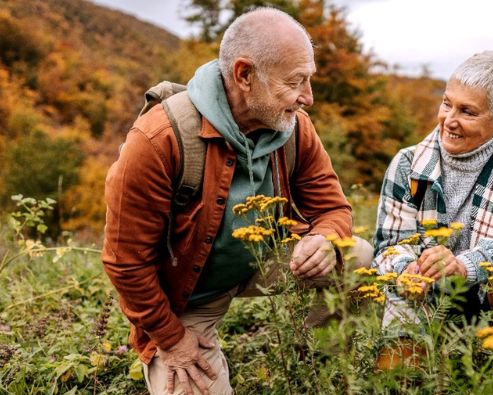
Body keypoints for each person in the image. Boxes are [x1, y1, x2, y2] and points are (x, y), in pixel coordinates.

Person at [103, 8, 372, 395]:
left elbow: (331, 206)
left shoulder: (294, 127)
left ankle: (316, 365)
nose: (308, 98)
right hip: (187, 297)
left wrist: (326, 239)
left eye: (309, 80)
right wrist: (171, 338)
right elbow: (125, 262)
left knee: (356, 258)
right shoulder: (158, 140)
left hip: (263, 262)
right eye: (295, 82)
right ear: (244, 75)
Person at [373, 50, 493, 367]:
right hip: (424, 298)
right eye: (446, 103)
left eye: (467, 112)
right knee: (396, 375)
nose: (449, 120)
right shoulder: (407, 164)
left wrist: (465, 265)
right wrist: (406, 271)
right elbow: (388, 245)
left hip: (487, 293)